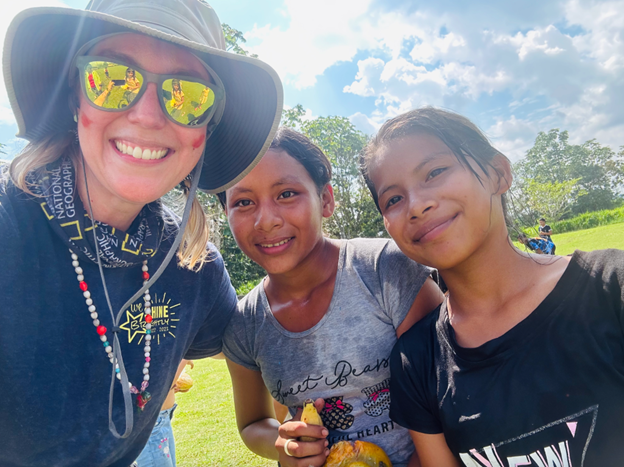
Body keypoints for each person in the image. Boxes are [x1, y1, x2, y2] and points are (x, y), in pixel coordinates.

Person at [0, 0, 282, 465]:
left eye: (188, 95)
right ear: (76, 93)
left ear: (207, 127)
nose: (148, 116)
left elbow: (258, 338)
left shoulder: (194, 268)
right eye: (111, 79)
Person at [359, 107, 624, 466]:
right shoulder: (415, 361)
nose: (417, 206)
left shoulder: (610, 288)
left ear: (499, 173)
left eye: (435, 172)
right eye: (393, 199)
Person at [219, 127, 443, 467]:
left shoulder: (387, 271)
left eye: (287, 194)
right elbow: (252, 424)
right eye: (244, 202)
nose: (265, 220)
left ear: (326, 200)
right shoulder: (244, 325)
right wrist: (283, 443)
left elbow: (450, 394)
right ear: (227, 215)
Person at [135, 360, 194, 467]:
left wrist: (172, 388)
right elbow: (165, 381)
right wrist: (184, 358)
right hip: (151, 426)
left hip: (159, 421)